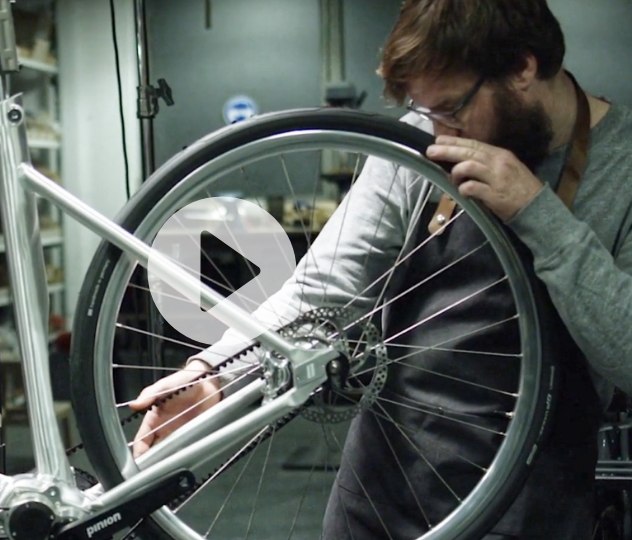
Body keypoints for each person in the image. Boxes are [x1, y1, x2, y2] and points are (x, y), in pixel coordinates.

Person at [129, 1, 632, 538]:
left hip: (534, 503)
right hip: (382, 487)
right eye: (427, 112)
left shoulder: (621, 166)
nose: (438, 130)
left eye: (452, 109)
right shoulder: (423, 137)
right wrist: (217, 377)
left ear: (523, 68)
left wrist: (539, 216)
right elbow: (323, 291)